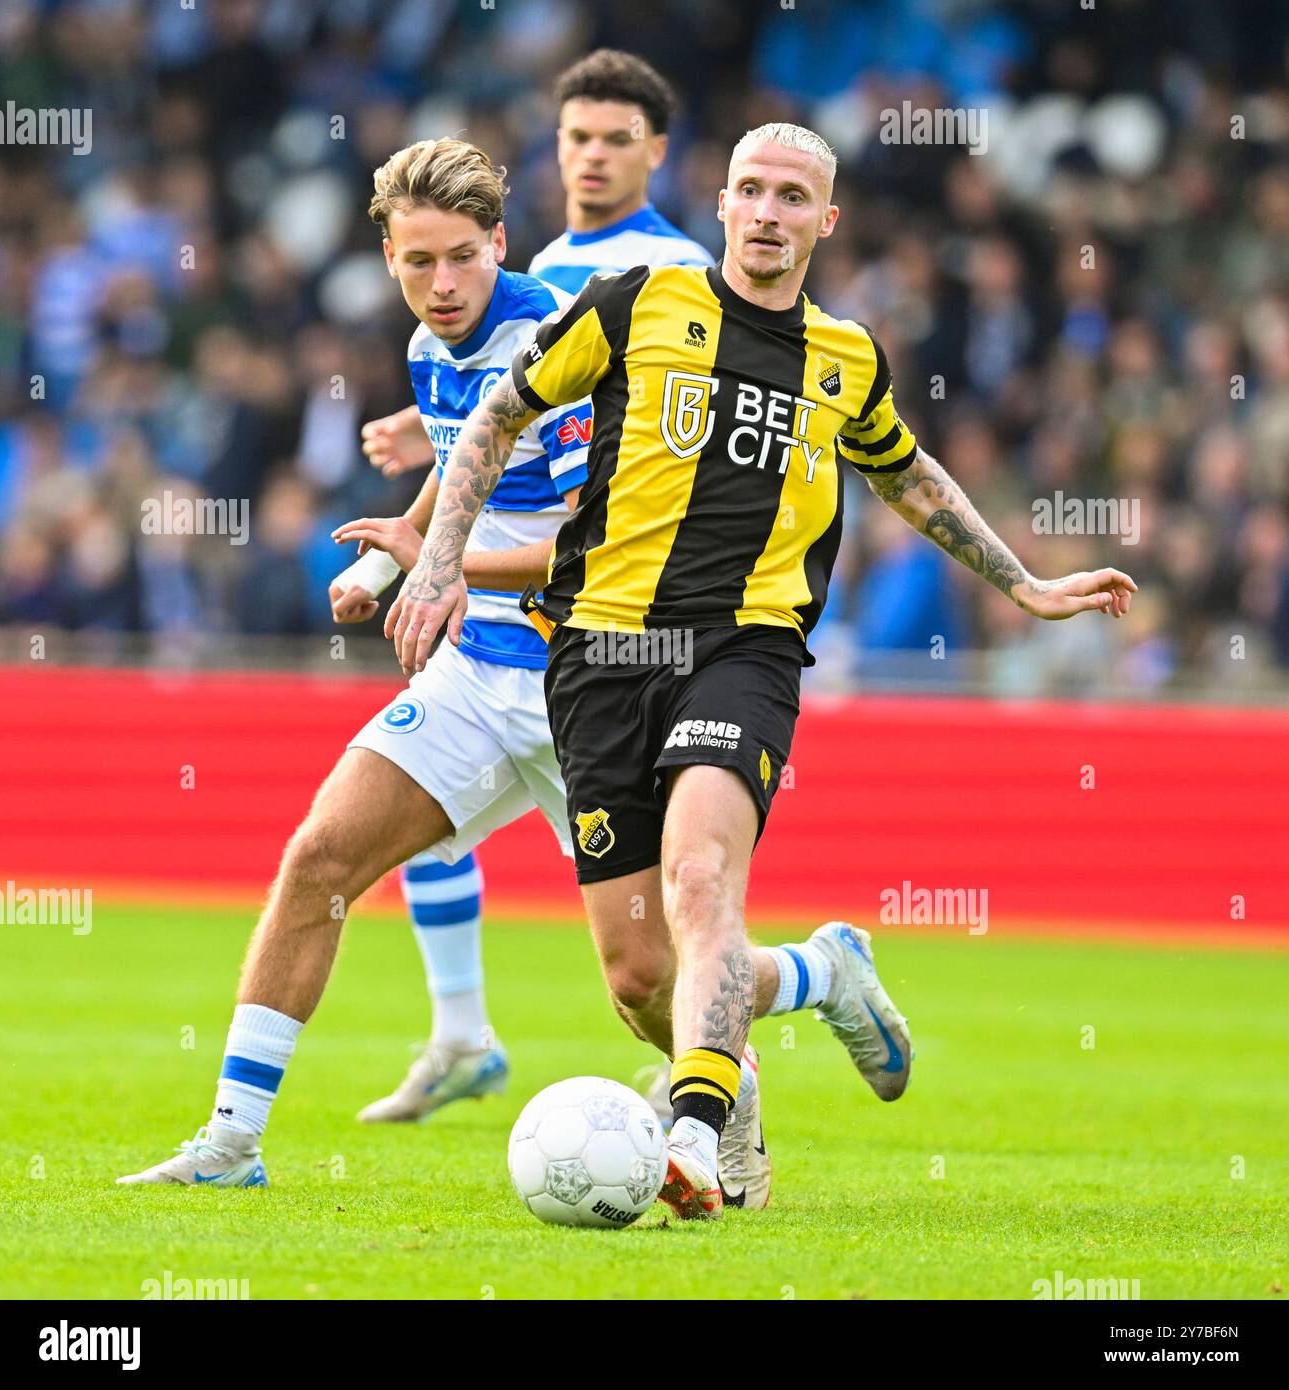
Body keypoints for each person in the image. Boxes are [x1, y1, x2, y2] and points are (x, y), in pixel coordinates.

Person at [388, 122, 1137, 1220]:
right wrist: (439, 561)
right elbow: (503, 411)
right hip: (595, 653)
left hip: (741, 653)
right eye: (750, 190)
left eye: (794, 196)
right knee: (640, 975)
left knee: (701, 881)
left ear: (823, 221)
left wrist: (1022, 584)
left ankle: (690, 1132)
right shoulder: (635, 305)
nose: (769, 212)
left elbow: (912, 476)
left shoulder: (844, 357)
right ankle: (822, 974)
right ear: (724, 204)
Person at [117, 138, 590, 1186]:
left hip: (588, 685)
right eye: (418, 261)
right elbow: (463, 474)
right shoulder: (429, 351)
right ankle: (232, 1140)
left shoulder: (561, 345)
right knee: (321, 859)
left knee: (648, 976)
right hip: (475, 675)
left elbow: (601, 547)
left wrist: (450, 564)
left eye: (464, 257)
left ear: (501, 243)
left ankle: (809, 985)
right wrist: (392, 570)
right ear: (387, 255)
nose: (443, 283)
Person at [347, 49, 713, 1128]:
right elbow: (505, 412)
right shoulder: (538, 264)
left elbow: (635, 446)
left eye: (615, 138)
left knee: (656, 936)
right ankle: (461, 1032)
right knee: (400, 822)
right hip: (505, 633)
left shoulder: (679, 265)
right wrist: (426, 449)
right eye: (575, 138)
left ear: (655, 149)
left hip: (626, 624)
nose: (592, 157)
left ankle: (770, 1004)